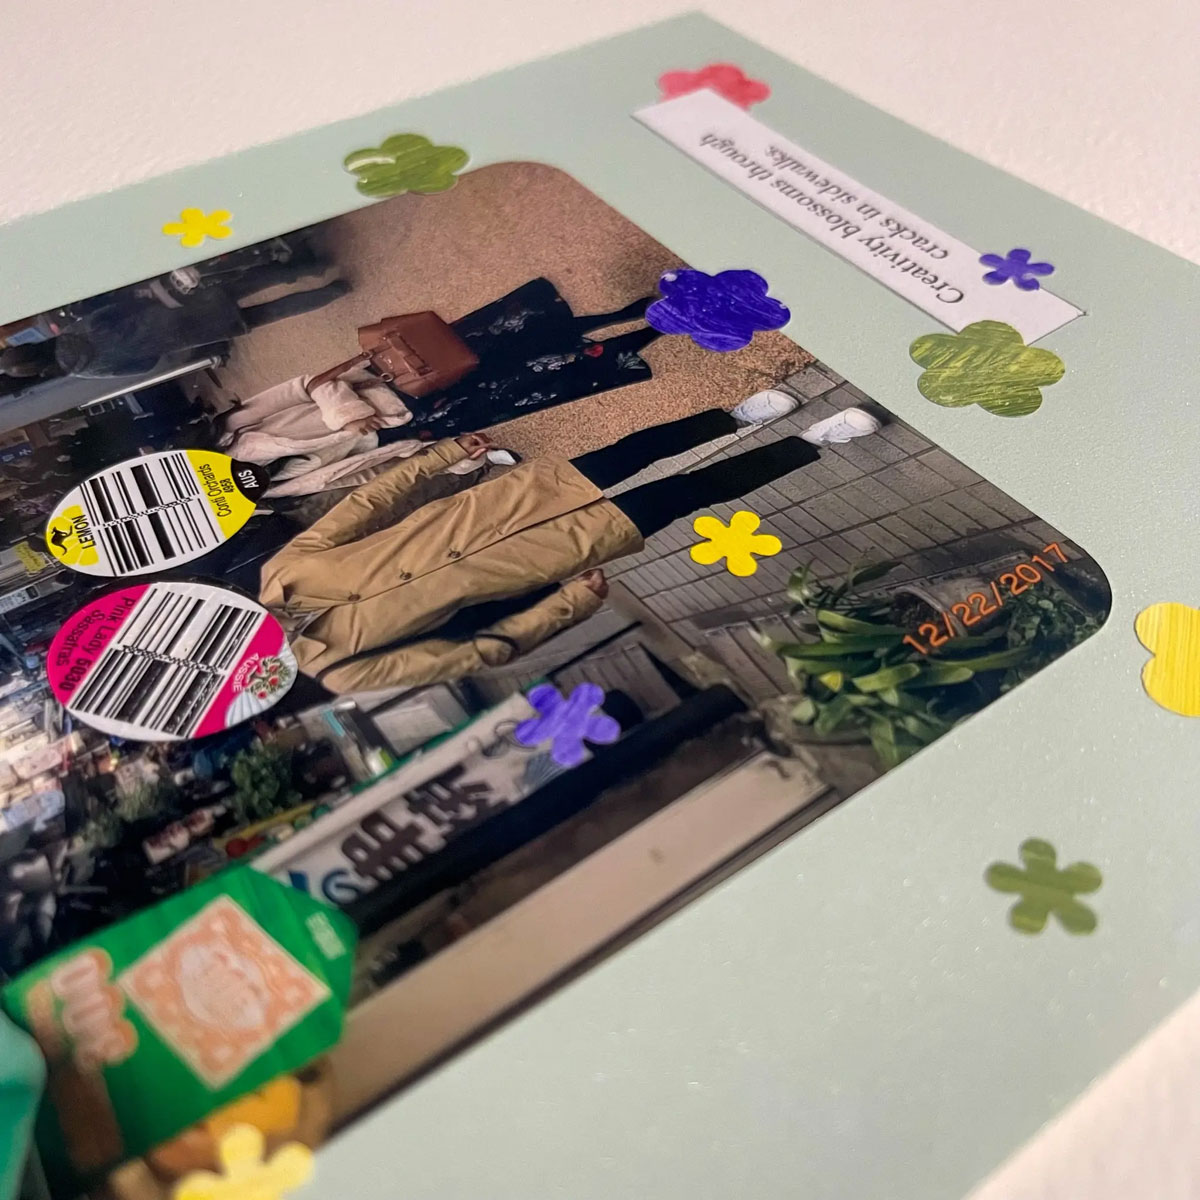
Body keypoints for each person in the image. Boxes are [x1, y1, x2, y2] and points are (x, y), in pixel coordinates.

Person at [259, 392, 882, 694]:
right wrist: (569, 606)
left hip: (496, 506)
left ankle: (734, 417)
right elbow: (473, 653)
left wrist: (441, 457)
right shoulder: (338, 671)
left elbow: (366, 505)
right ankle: (812, 443)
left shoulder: (286, 572)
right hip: (533, 561)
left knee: (632, 451)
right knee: (683, 495)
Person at [53, 268, 352, 379]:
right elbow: (116, 309)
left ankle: (335, 291)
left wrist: (154, 346)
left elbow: (143, 367)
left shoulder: (89, 371)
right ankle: (309, 266)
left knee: (269, 313)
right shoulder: (74, 332)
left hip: (185, 335)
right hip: (171, 311)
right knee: (246, 285)